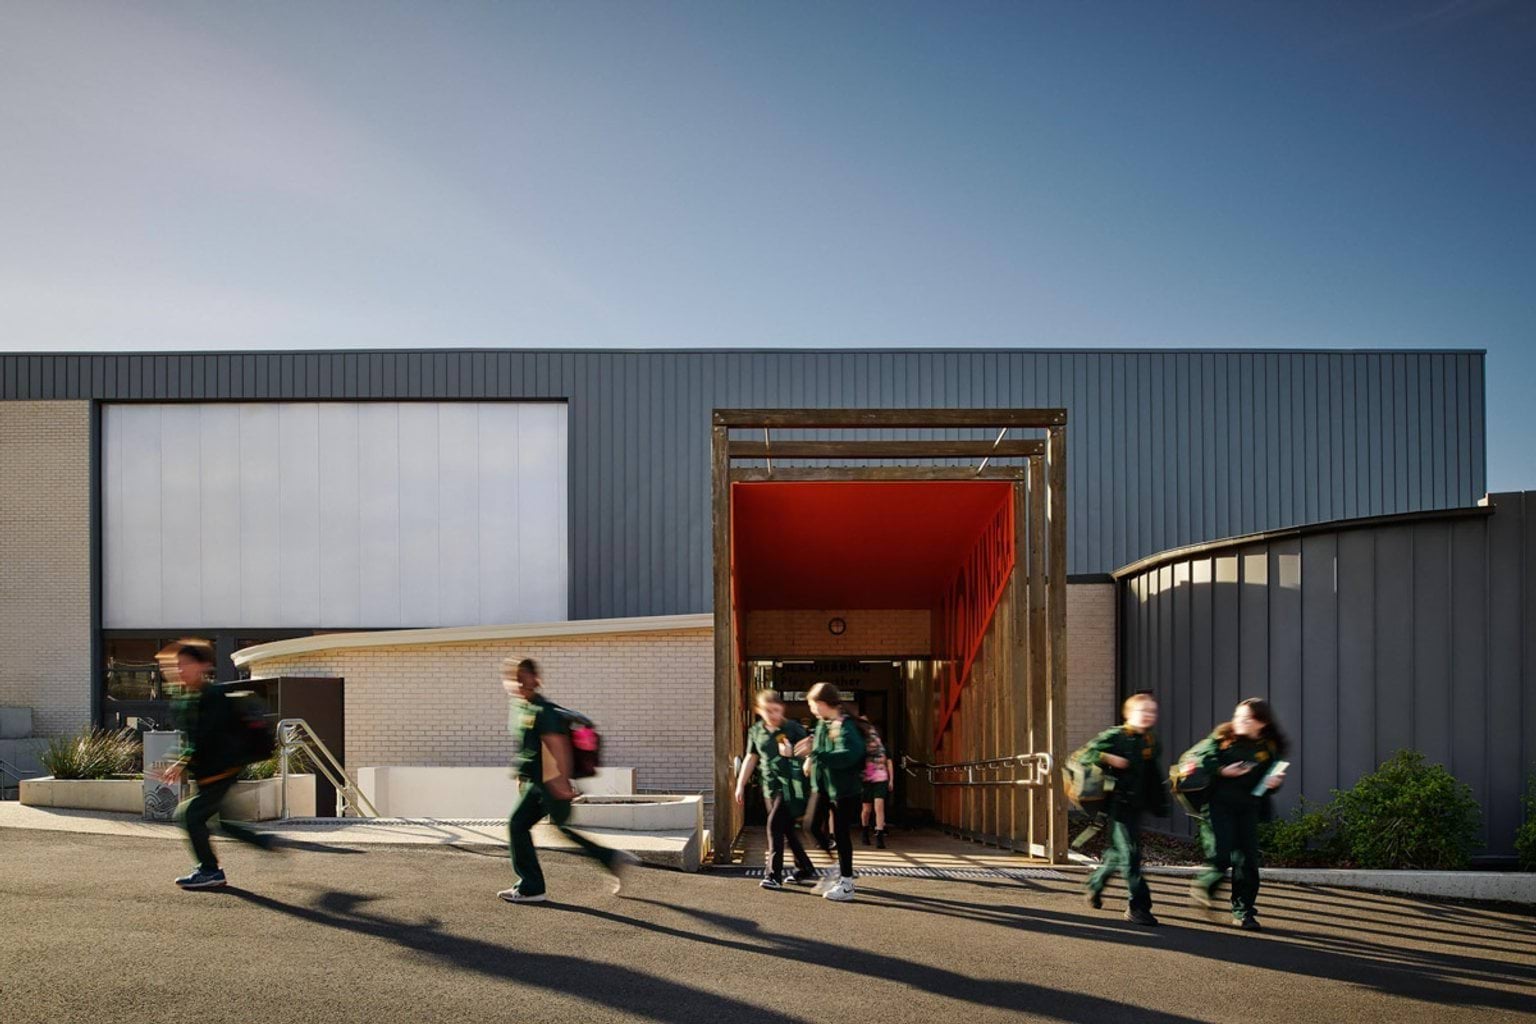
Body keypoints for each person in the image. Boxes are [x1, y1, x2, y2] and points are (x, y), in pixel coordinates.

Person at [499, 658, 638, 904]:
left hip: (549, 782)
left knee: (524, 826)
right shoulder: (523, 708)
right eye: (513, 677)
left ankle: (532, 887)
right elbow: (528, 749)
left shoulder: (544, 710)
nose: (518, 682)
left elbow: (557, 745)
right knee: (542, 827)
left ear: (535, 678)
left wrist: (561, 782)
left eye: (523, 676)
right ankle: (611, 860)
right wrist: (523, 777)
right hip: (537, 784)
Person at [163, 643, 274, 890]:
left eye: (185, 664)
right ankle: (264, 841)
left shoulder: (212, 697)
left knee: (189, 816)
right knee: (219, 822)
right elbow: (192, 739)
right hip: (210, 774)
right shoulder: (189, 698)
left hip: (219, 772)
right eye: (177, 665)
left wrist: (182, 762)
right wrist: (181, 760)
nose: (180, 670)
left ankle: (210, 870)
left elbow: (207, 736)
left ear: (203, 666)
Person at [1183, 698, 1289, 930]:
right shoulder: (1222, 737)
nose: (1238, 721)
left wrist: (1274, 782)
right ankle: (1206, 887)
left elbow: (1272, 775)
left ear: (1260, 723)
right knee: (1220, 856)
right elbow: (1201, 758)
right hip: (1218, 806)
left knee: (1247, 861)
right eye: (1237, 715)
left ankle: (1243, 912)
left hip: (1248, 808)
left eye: (1245, 718)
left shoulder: (1268, 746)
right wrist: (1222, 770)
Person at [1079, 692, 1169, 926]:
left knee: (1118, 853)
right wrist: (1108, 757)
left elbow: (1151, 772)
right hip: (1118, 804)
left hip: (1136, 804)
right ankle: (1138, 907)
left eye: (1153, 711)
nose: (1149, 715)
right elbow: (1085, 755)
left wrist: (1160, 802)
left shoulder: (1151, 740)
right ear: (1128, 715)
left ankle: (1095, 884)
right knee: (1130, 852)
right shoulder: (1116, 736)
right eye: (1143, 711)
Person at [734, 689, 818, 889]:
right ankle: (805, 867)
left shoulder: (793, 728)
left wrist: (793, 754)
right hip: (770, 787)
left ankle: (773, 875)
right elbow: (751, 757)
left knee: (773, 826)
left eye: (777, 710)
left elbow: (809, 753)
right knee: (785, 829)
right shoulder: (756, 731)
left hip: (792, 787)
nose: (774, 715)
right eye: (769, 711)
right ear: (759, 710)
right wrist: (740, 784)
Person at [803, 682, 867, 902]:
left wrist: (817, 754)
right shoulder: (823, 723)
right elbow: (820, 751)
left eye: (812, 705)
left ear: (821, 703)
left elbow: (850, 754)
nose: (811, 709)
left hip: (843, 790)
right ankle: (837, 867)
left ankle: (847, 883)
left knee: (841, 835)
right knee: (810, 825)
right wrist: (811, 758)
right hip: (822, 787)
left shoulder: (845, 724)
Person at [857, 715, 894, 849]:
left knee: (879, 806)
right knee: (866, 809)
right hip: (867, 779)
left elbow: (889, 762)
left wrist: (891, 780)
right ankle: (865, 831)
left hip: (881, 778)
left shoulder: (882, 745)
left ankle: (879, 835)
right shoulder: (859, 742)